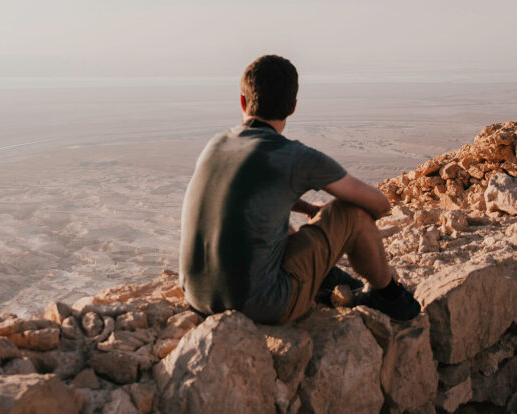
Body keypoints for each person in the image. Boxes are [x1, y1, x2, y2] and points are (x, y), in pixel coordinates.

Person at [179, 54, 421, 324]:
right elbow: (379, 204)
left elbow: (247, 192)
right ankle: (388, 297)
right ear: (293, 107)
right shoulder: (294, 156)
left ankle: (324, 277)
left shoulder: (217, 144)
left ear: (242, 101)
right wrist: (335, 220)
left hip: (196, 295)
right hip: (263, 305)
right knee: (352, 212)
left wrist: (306, 207)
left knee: (273, 222)